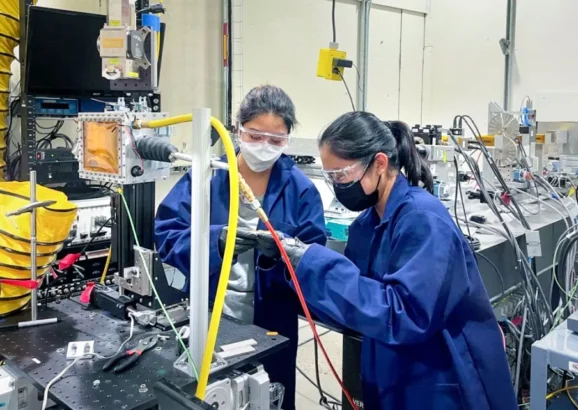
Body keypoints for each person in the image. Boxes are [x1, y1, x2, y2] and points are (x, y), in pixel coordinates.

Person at [242, 112, 517, 409]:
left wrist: (313, 261)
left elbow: (404, 315)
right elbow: (358, 307)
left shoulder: (422, 220)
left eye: (341, 175)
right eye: (329, 176)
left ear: (380, 164)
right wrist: (291, 265)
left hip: (440, 379)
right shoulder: (365, 225)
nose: (336, 185)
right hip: (391, 377)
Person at [154, 85, 327, 410]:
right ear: (237, 131)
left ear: (287, 140)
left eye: (276, 141)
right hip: (208, 318)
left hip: (271, 324)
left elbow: (314, 258)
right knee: (205, 396)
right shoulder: (207, 176)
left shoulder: (300, 191)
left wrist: (286, 254)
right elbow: (166, 232)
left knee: (269, 398)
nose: (265, 147)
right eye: (256, 136)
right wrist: (215, 240)